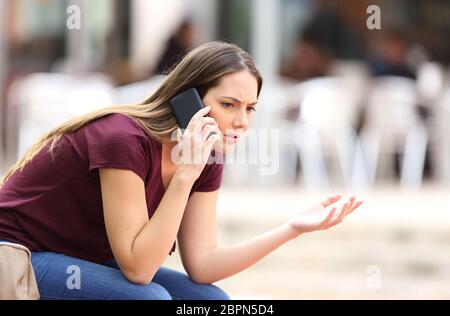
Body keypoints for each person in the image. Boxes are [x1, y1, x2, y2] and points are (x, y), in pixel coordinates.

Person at [0, 41, 363, 300]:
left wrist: (292, 228)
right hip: (17, 254)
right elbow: (139, 270)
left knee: (211, 300)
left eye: (250, 108)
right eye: (228, 104)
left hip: (82, 257)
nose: (241, 121)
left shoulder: (207, 155)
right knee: (151, 299)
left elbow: (202, 265)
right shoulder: (122, 139)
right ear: (186, 100)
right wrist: (186, 174)